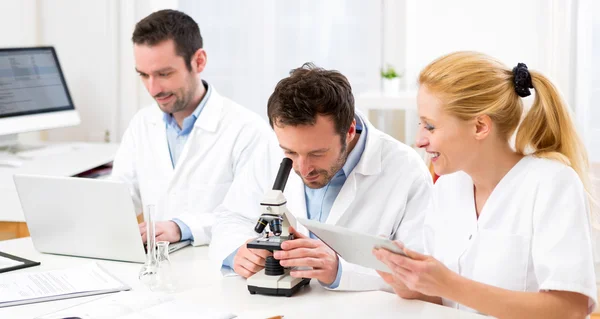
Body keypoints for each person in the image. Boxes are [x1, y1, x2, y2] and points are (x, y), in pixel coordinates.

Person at [373, 51, 597, 318]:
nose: (419, 140)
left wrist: (449, 284)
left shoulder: (551, 183)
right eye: (420, 124)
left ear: (480, 126)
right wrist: (412, 285)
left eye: (430, 127)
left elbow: (570, 308)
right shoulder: (447, 187)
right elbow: (448, 300)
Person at [209, 63, 432, 291]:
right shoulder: (270, 149)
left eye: (317, 153)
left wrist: (340, 271)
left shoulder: (405, 170)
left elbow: (422, 272)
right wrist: (238, 252)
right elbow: (231, 216)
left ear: (349, 130)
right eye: (290, 153)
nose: (304, 169)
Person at [110, 9, 275, 246]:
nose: (153, 89)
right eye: (144, 75)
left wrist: (182, 227)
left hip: (215, 266)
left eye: (164, 74)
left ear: (199, 61)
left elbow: (257, 217)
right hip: (156, 266)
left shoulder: (247, 131)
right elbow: (121, 197)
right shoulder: (141, 125)